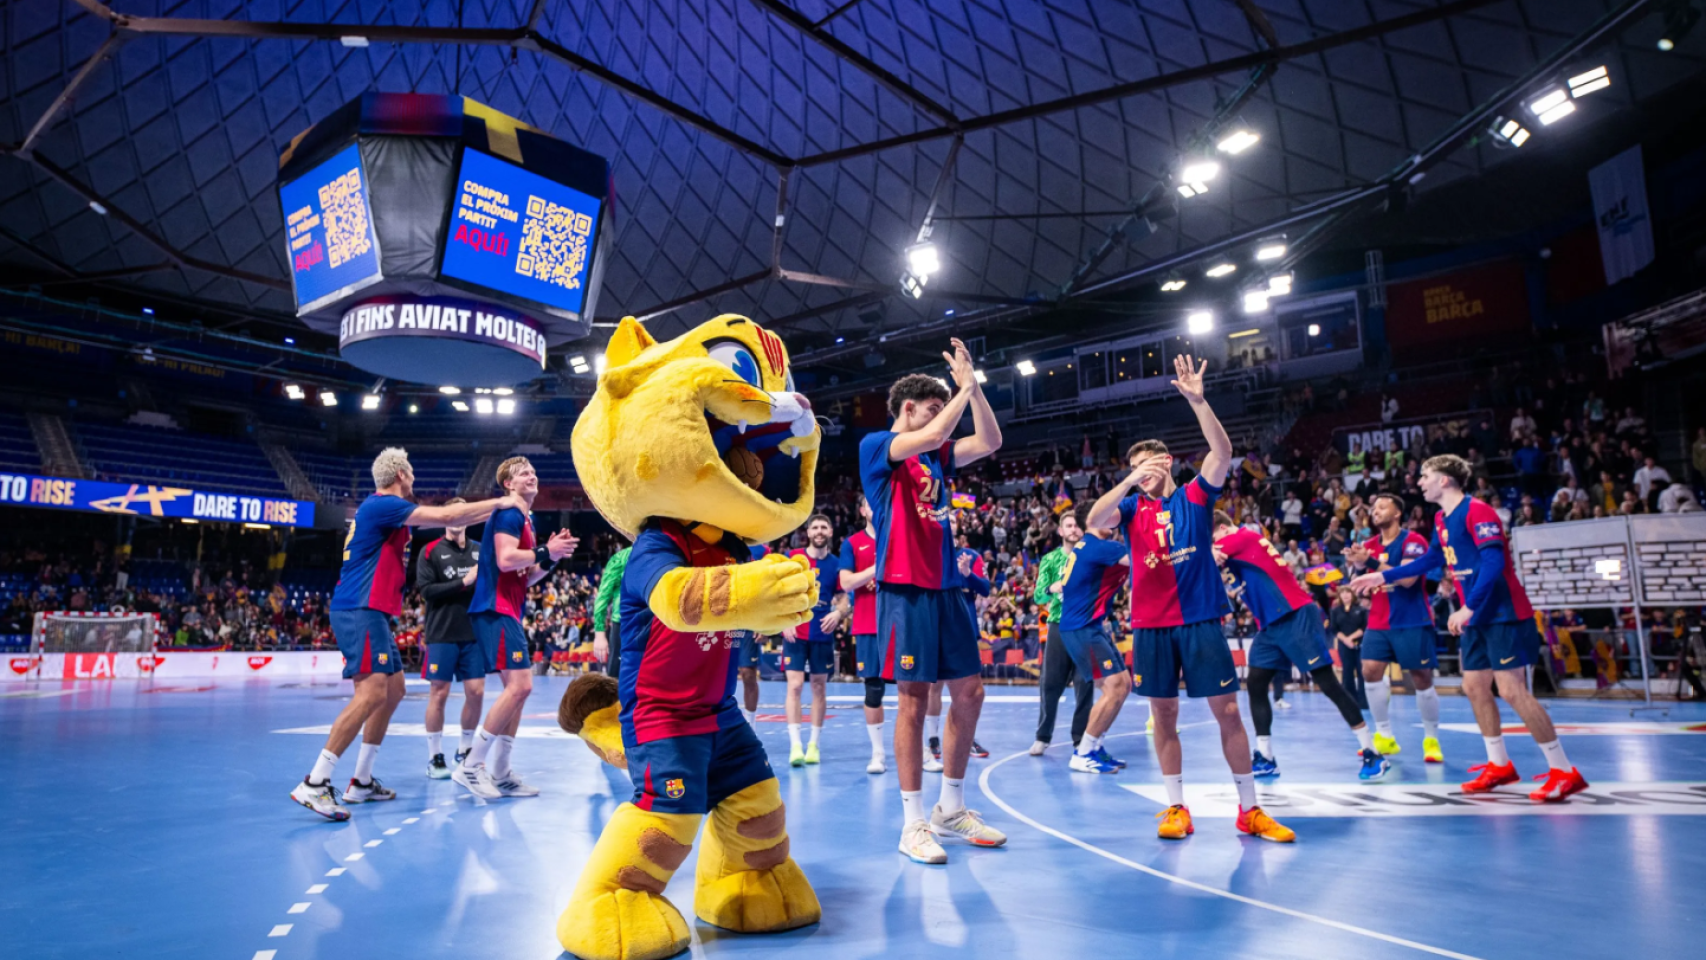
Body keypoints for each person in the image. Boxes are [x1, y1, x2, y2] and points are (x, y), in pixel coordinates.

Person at [1086, 355, 1293, 843]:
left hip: (1200, 620)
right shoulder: (1132, 507)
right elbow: (1095, 519)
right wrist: (1128, 481)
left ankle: (1249, 809)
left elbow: (1221, 453)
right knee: (1164, 715)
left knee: (1227, 711)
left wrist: (1199, 403)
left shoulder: (1195, 497)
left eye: (1148, 465)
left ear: (1167, 463)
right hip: (1152, 626)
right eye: (1135, 468)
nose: (1142, 473)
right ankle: (1176, 806)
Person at [290, 448, 519, 820]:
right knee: (372, 693)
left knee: (393, 690)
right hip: (360, 609)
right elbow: (448, 515)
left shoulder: (383, 512)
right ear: (399, 474)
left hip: (374, 612)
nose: (413, 480)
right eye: (410, 473)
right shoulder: (382, 504)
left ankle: (361, 781)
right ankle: (315, 782)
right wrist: (502, 502)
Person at [1351, 454, 1589, 802]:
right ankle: (1499, 765)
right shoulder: (1441, 518)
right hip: (1476, 619)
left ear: (1444, 480)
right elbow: (1431, 560)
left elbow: (1494, 562)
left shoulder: (1479, 511)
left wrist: (1468, 607)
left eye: (1426, 476)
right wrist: (1381, 574)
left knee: (1511, 690)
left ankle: (1564, 770)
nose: (1420, 482)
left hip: (1503, 615)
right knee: (1475, 686)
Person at [859, 338, 1006, 865]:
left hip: (948, 589)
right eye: (932, 406)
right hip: (904, 589)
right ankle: (912, 822)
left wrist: (975, 387)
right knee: (915, 701)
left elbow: (989, 440)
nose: (940, 416)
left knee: (970, 694)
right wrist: (960, 391)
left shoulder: (936, 456)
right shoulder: (879, 445)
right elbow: (942, 429)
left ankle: (951, 808)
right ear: (909, 409)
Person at [1211, 513, 1386, 782]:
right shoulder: (1238, 544)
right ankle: (1266, 756)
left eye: (1213, 538)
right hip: (1270, 624)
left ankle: (1372, 752)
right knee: (1256, 684)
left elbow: (1201, 558)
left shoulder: (1239, 537)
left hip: (1294, 614)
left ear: (1223, 529)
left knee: (1328, 683)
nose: (1214, 544)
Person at [454, 457, 578, 799]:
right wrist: (543, 549)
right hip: (494, 608)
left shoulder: (525, 519)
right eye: (523, 472)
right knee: (521, 687)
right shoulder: (509, 512)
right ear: (508, 484)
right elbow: (507, 559)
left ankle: (501, 772)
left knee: (517, 695)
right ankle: (470, 765)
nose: (531, 475)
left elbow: (527, 574)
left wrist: (550, 557)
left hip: (506, 607)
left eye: (534, 471)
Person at [1346, 493, 1444, 763]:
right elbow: (1360, 583)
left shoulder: (1413, 541)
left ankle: (1431, 739)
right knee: (1370, 671)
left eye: (1381, 506)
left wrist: (1370, 562)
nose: (1375, 511)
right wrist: (1355, 563)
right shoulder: (1368, 544)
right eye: (1373, 507)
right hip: (1378, 620)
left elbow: (1409, 579)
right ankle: (1384, 736)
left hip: (1411, 619)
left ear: (1397, 513)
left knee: (1421, 677)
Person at [1056, 502, 1134, 774]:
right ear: (1093, 520)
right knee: (1113, 687)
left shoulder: (1089, 546)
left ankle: (1096, 745)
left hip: (1090, 625)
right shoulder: (1103, 548)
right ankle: (1084, 752)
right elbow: (1145, 557)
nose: (1113, 516)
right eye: (1107, 513)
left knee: (1123, 684)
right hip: (1082, 628)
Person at [415, 502, 485, 779]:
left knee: (477, 692)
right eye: (453, 514)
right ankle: (435, 757)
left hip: (474, 633)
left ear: (469, 519)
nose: (458, 519)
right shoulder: (430, 551)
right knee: (439, 694)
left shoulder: (481, 550)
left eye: (463, 514)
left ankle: (465, 750)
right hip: (442, 633)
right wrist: (464, 582)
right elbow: (427, 591)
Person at [1028, 510, 1094, 756]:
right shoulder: (1050, 559)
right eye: (1069, 525)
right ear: (1060, 531)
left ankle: (1080, 739)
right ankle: (1042, 736)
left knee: (1084, 684)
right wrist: (1050, 587)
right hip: (1058, 624)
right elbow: (1038, 596)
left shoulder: (1090, 557)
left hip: (1086, 625)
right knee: (1050, 685)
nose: (1074, 529)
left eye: (1077, 525)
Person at [785, 515, 843, 767]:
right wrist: (785, 619)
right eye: (815, 527)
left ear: (830, 531)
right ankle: (795, 745)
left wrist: (839, 612)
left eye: (823, 527)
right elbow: (780, 592)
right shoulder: (794, 558)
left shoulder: (837, 564)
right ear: (807, 532)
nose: (819, 531)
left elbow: (843, 598)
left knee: (819, 687)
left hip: (822, 629)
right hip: (796, 628)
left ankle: (813, 745)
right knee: (795, 686)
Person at [838, 496, 886, 774]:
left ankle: (923, 749)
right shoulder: (852, 543)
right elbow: (846, 582)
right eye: (870, 503)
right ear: (862, 510)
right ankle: (878, 753)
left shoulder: (898, 536)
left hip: (899, 623)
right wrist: (873, 570)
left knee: (912, 688)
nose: (875, 507)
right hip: (868, 625)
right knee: (874, 689)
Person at [591, 545, 630, 680]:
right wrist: (599, 634)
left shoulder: (663, 554)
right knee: (616, 680)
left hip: (656, 625)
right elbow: (602, 597)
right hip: (623, 625)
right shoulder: (621, 558)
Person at [1329, 587, 1368, 711]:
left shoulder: (1361, 610)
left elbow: (1364, 626)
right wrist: (1345, 640)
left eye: (1348, 592)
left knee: (1362, 672)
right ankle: (1350, 701)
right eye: (1342, 593)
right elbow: (1334, 629)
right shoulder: (1335, 611)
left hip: (1359, 643)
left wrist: (1351, 638)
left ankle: (1364, 702)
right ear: (1339, 596)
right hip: (1344, 645)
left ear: (1352, 594)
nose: (1345, 595)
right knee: (1347, 673)